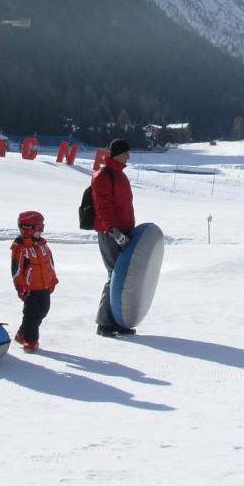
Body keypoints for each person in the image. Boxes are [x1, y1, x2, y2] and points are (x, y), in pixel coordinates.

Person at [92, 138, 137, 337]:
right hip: (110, 234)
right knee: (114, 275)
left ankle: (118, 320)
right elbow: (103, 206)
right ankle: (104, 322)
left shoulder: (120, 176)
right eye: (126, 152)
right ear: (118, 153)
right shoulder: (104, 176)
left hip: (124, 234)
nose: (128, 156)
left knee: (122, 277)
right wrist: (113, 231)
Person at [10, 210, 57, 352]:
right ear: (27, 229)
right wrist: (20, 286)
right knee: (31, 314)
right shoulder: (21, 248)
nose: (41, 232)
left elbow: (50, 263)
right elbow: (16, 270)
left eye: (42, 228)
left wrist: (52, 280)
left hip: (44, 285)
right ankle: (30, 340)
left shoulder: (43, 245)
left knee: (43, 310)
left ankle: (22, 333)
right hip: (30, 287)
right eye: (38, 228)